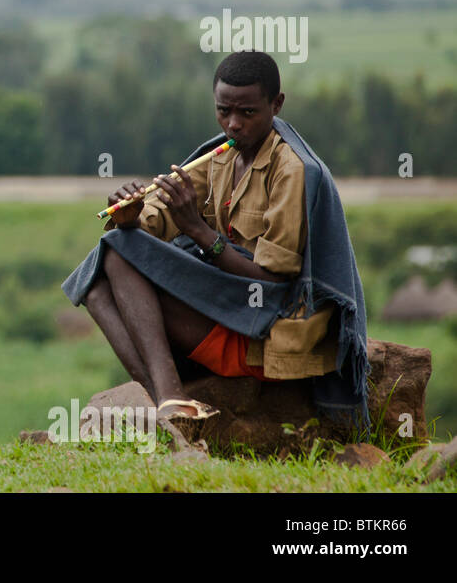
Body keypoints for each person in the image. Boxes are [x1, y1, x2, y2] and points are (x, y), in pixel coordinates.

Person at [62, 51, 369, 428]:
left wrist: (199, 232)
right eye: (224, 111)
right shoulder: (221, 157)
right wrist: (131, 217)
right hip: (228, 311)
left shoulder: (292, 171)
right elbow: (155, 220)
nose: (234, 124)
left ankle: (170, 397)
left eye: (248, 113)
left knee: (119, 254)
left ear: (277, 104)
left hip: (265, 331)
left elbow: (271, 283)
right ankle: (167, 397)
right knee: (99, 279)